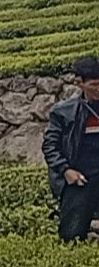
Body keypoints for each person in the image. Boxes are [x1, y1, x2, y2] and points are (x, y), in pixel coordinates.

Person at [44, 56, 99, 242]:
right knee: (72, 236)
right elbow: (50, 146)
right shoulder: (63, 112)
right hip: (80, 179)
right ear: (79, 83)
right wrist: (66, 170)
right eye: (94, 84)